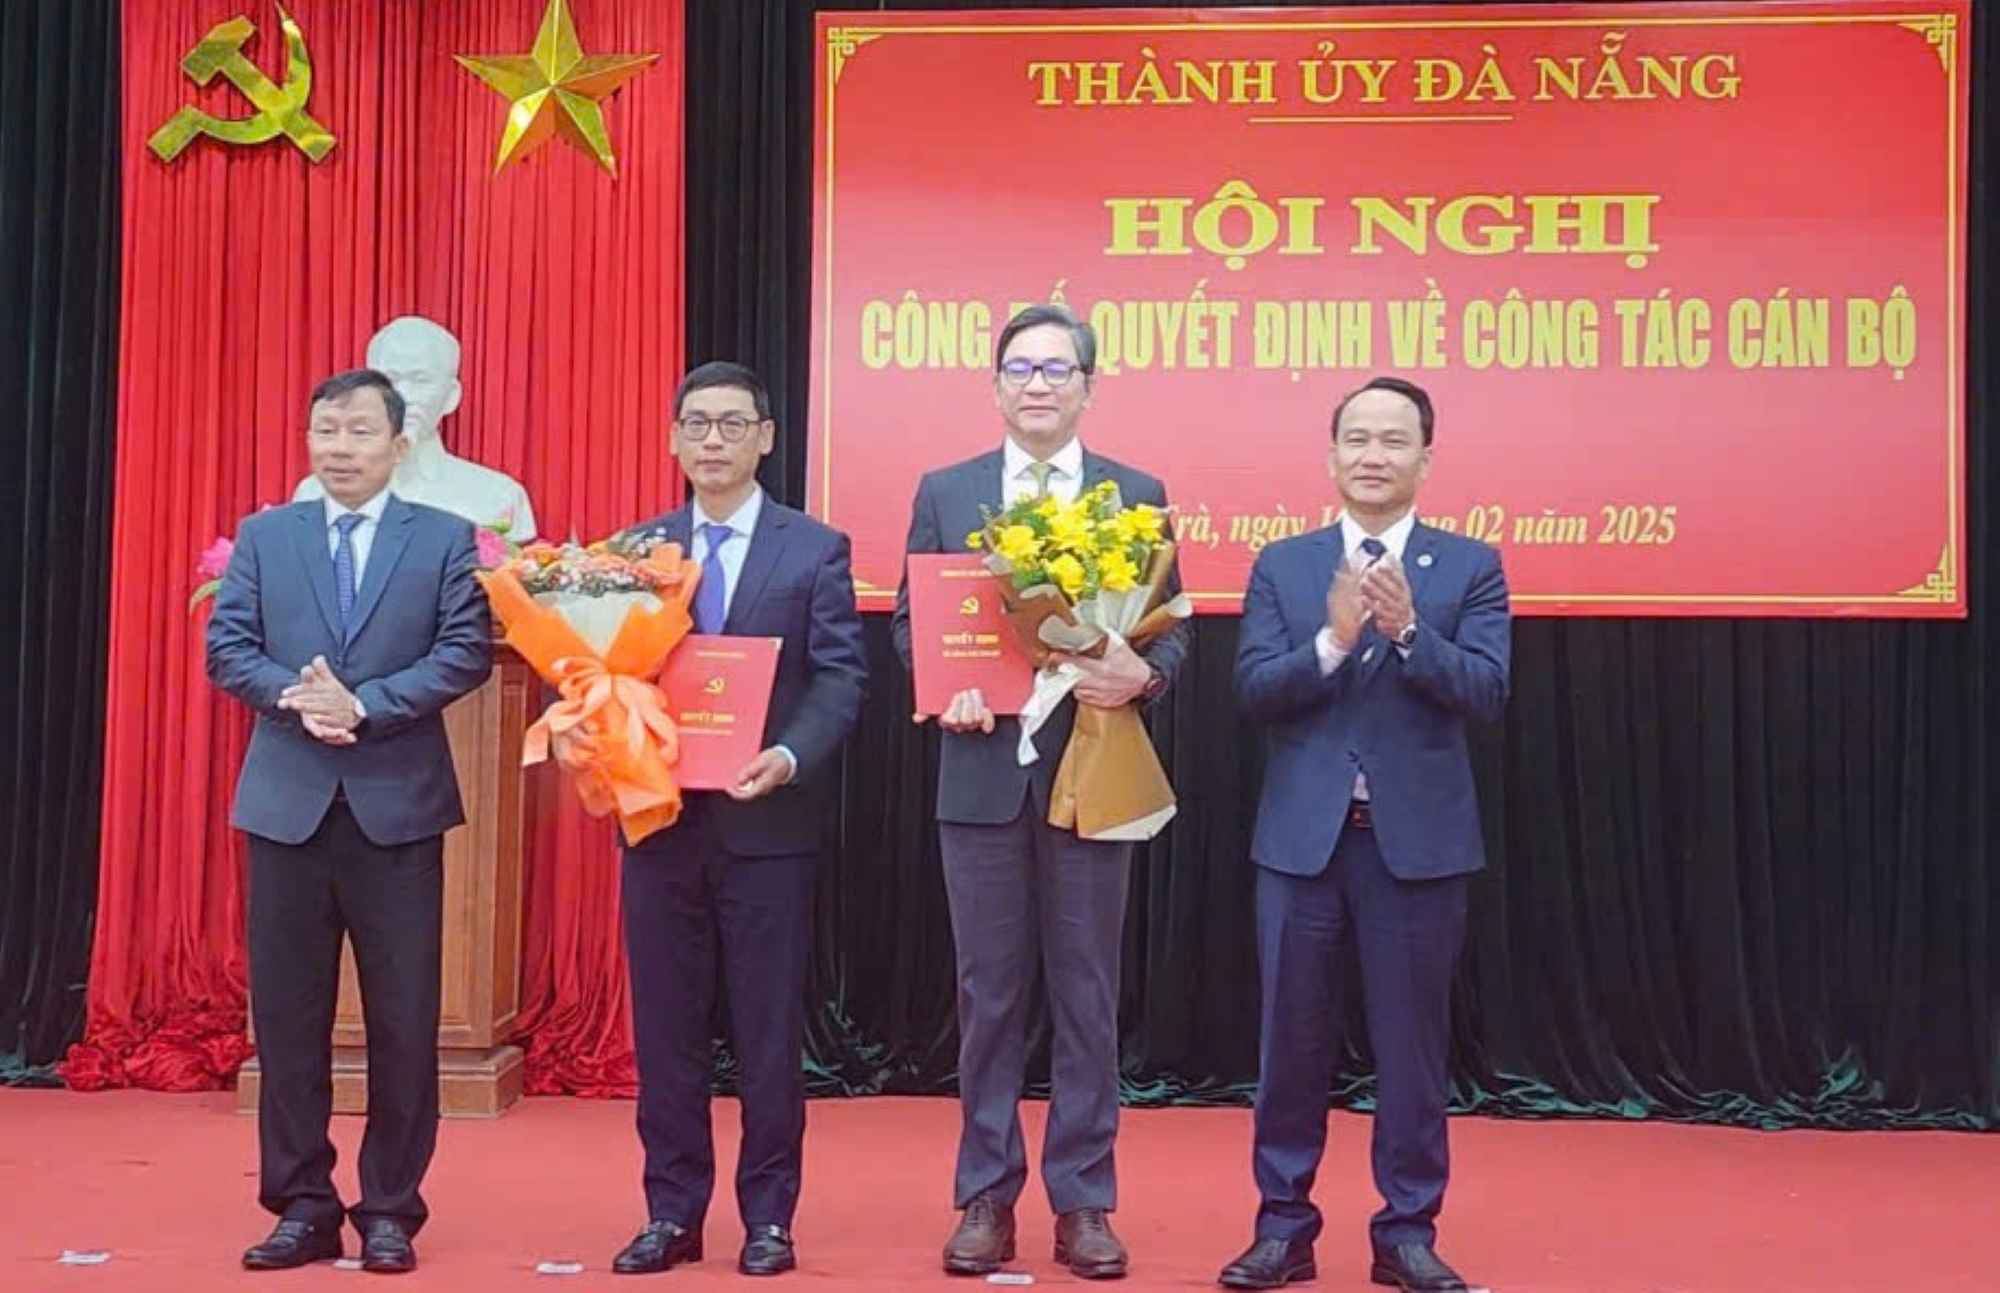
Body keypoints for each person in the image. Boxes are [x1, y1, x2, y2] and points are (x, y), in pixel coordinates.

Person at [891, 304, 1189, 1280]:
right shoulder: (948, 490)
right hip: (980, 778)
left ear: (1087, 387)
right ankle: (984, 1193)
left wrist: (1140, 679)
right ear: (993, 384)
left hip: (1090, 772)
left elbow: (1170, 627)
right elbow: (911, 623)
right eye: (1019, 367)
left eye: (1057, 369)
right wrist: (944, 690)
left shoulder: (1132, 492)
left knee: (1086, 993)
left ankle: (1084, 1200)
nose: (1037, 384)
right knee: (986, 996)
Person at [1218, 377, 1510, 1292]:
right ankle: (1283, 1227)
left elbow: (1488, 692)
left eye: (1393, 440)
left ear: (1426, 457)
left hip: (1416, 847)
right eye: (1356, 439)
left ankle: (1407, 1231)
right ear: (1331, 455)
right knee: (1290, 1045)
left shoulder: (1470, 566)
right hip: (1303, 846)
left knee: (1412, 1047)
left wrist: (1410, 631)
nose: (1372, 455)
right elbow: (1256, 692)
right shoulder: (1286, 563)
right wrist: (1334, 641)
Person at [208, 368, 493, 1274]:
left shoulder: (445, 540)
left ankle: (390, 1208)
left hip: (396, 807)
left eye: (359, 432)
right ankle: (300, 1202)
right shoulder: (266, 535)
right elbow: (229, 645)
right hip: (287, 804)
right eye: (325, 431)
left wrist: (365, 703)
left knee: (404, 1020)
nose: (339, 448)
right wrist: (301, 698)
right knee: (288, 1021)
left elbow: (465, 651)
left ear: (398, 444)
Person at [606, 361, 867, 1278]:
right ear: (673, 439)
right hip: (660, 825)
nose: (712, 441)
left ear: (766, 436)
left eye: (731, 424)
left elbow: (840, 676)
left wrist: (789, 753)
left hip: (769, 828)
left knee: (765, 1036)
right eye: (696, 424)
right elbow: (606, 676)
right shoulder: (632, 552)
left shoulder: (814, 549)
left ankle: (769, 1217)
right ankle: (671, 1213)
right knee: (666, 1034)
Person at [295, 315, 537, 540]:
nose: (404, 395)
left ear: (451, 396)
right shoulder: (316, 492)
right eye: (390, 380)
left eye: (421, 380)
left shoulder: (496, 496)